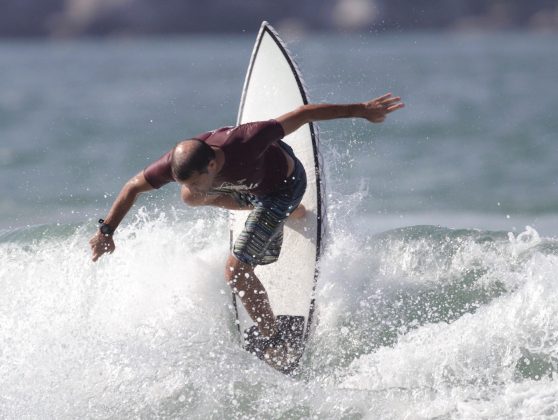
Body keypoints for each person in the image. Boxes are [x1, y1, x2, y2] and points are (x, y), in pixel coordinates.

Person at [89, 93, 404, 352]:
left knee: (235, 271)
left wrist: (362, 110)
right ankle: (277, 217)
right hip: (250, 190)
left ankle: (274, 336)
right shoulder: (180, 163)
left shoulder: (247, 140)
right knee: (189, 197)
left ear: (212, 163)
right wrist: (107, 231)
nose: (196, 186)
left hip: (284, 187)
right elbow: (133, 186)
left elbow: (304, 113)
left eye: (199, 180)